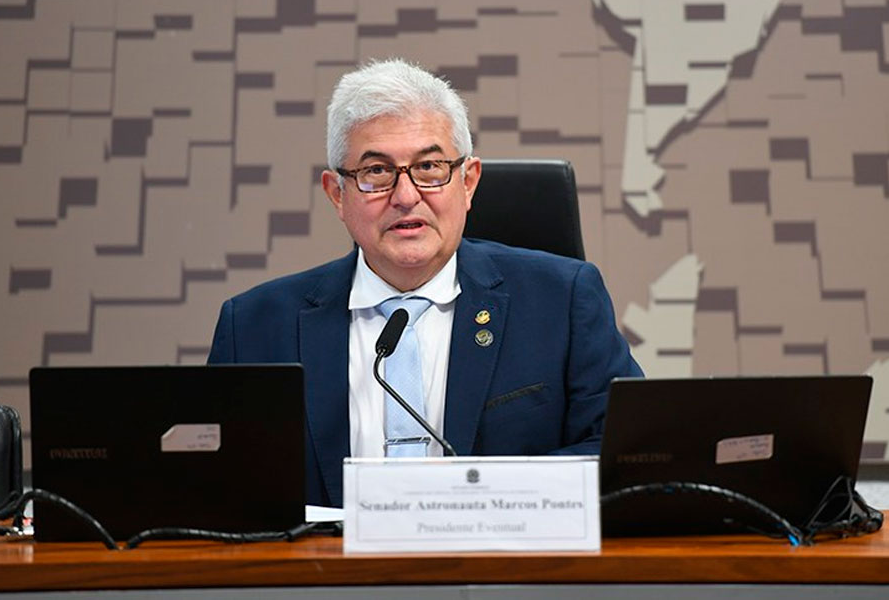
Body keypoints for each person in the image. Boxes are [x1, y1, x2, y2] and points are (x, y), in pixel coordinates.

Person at [207, 58, 644, 506]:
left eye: (430, 167)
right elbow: (215, 485)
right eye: (376, 172)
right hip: (326, 574)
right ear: (338, 194)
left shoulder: (562, 300)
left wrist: (479, 503)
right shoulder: (255, 328)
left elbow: (622, 455)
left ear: (468, 182)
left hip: (507, 570)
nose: (406, 196)